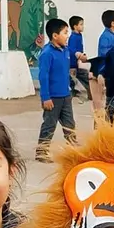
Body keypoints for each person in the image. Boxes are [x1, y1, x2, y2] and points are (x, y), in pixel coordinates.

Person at [36, 18, 77, 163]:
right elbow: (43, 76)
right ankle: (41, 151)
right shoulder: (47, 53)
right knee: (49, 124)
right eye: (65, 33)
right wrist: (45, 97)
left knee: (69, 124)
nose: (67, 36)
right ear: (55, 35)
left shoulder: (65, 50)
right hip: (52, 97)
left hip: (66, 95)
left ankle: (73, 148)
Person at [90, 9, 114, 113]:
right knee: (103, 100)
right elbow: (104, 54)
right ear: (113, 23)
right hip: (105, 69)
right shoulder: (105, 37)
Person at [67, 16, 90, 102]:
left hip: (78, 62)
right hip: (72, 63)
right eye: (81, 24)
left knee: (81, 77)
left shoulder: (79, 35)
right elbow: (72, 49)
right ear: (75, 26)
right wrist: (79, 55)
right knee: (73, 78)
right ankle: (71, 93)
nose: (83, 26)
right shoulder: (73, 37)